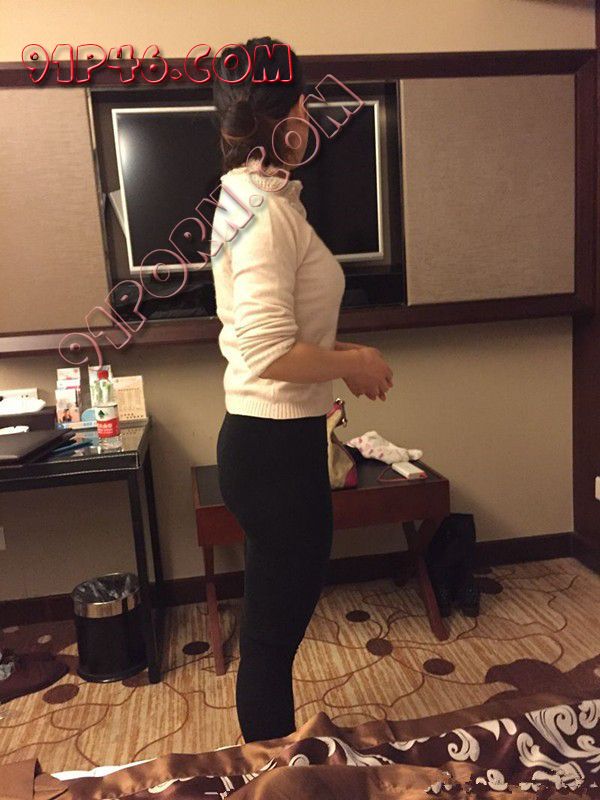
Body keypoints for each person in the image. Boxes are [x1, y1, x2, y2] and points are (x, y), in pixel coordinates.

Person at [211, 37, 393, 743]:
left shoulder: (252, 199)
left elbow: (276, 338)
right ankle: (270, 774)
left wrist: (345, 358)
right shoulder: (261, 213)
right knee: (270, 639)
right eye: (303, 104)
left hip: (270, 444)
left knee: (270, 632)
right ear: (282, 117)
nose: (311, 115)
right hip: (274, 451)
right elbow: (268, 352)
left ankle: (271, 762)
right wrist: (355, 359)